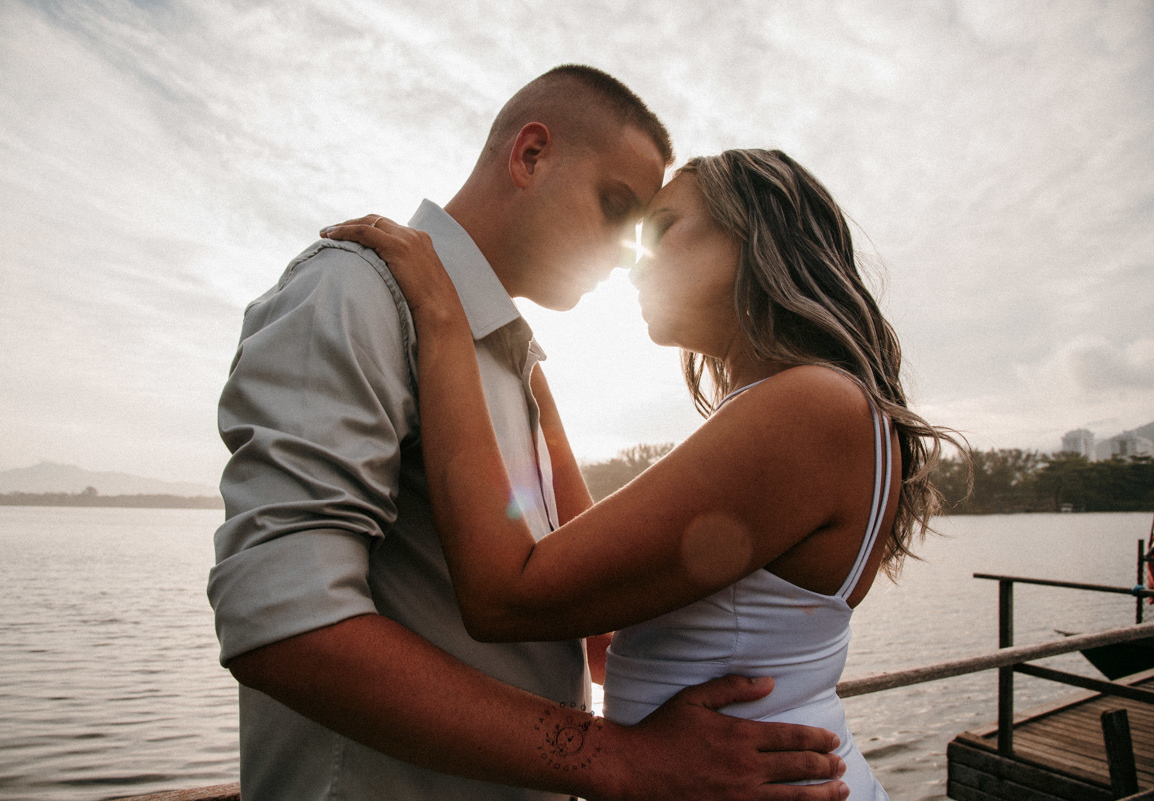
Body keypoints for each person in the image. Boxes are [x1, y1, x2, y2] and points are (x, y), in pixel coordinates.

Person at [209, 66, 849, 801]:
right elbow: (286, 627)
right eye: (615, 207)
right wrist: (625, 759)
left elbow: (577, 621)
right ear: (531, 155)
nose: (624, 253)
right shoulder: (357, 291)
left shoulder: (510, 365)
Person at [320, 147, 964, 799]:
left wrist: (443, 318)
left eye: (660, 229)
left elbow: (503, 593)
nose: (633, 260)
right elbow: (597, 628)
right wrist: (523, 370)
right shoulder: (822, 407)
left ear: (753, 237)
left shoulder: (809, 406)